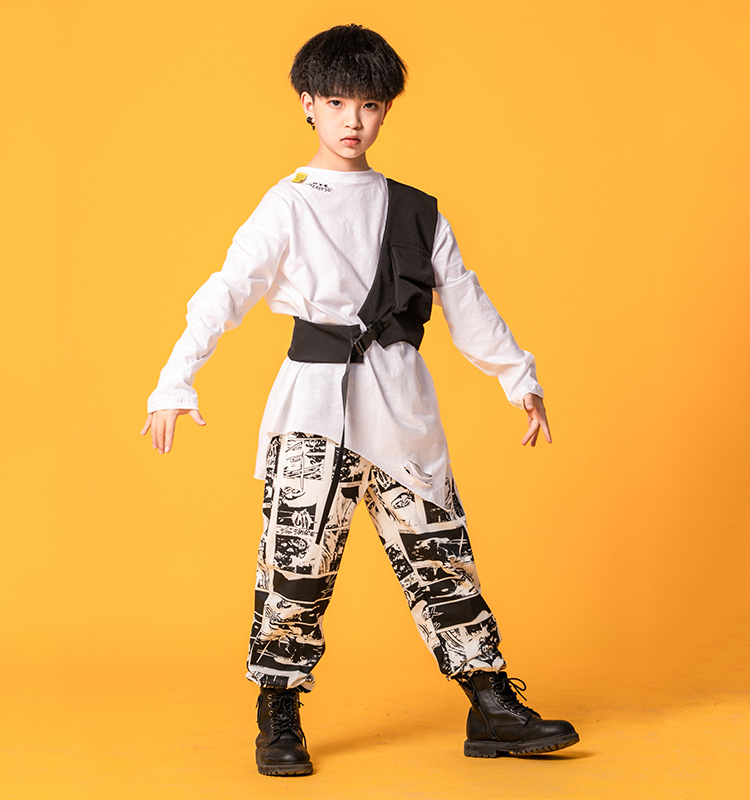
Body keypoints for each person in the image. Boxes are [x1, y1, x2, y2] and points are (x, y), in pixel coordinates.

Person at [141, 23, 579, 776]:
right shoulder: (287, 204)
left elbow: (466, 301)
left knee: (441, 558)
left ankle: (491, 705)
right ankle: (278, 714)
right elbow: (226, 292)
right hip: (312, 412)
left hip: (401, 409)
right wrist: (175, 381)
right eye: (338, 101)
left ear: (385, 111)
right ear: (307, 103)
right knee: (295, 567)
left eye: (369, 104)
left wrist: (519, 377)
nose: (353, 120)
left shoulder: (416, 210)